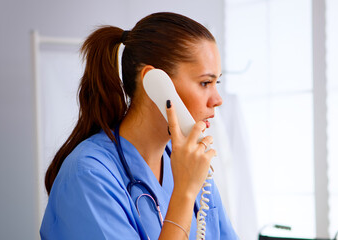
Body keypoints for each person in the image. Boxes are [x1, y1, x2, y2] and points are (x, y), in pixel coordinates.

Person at [40, 12, 239, 240]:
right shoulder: (88, 175)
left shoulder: (191, 164)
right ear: (155, 83)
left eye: (217, 82)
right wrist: (184, 194)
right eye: (205, 83)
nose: (217, 99)